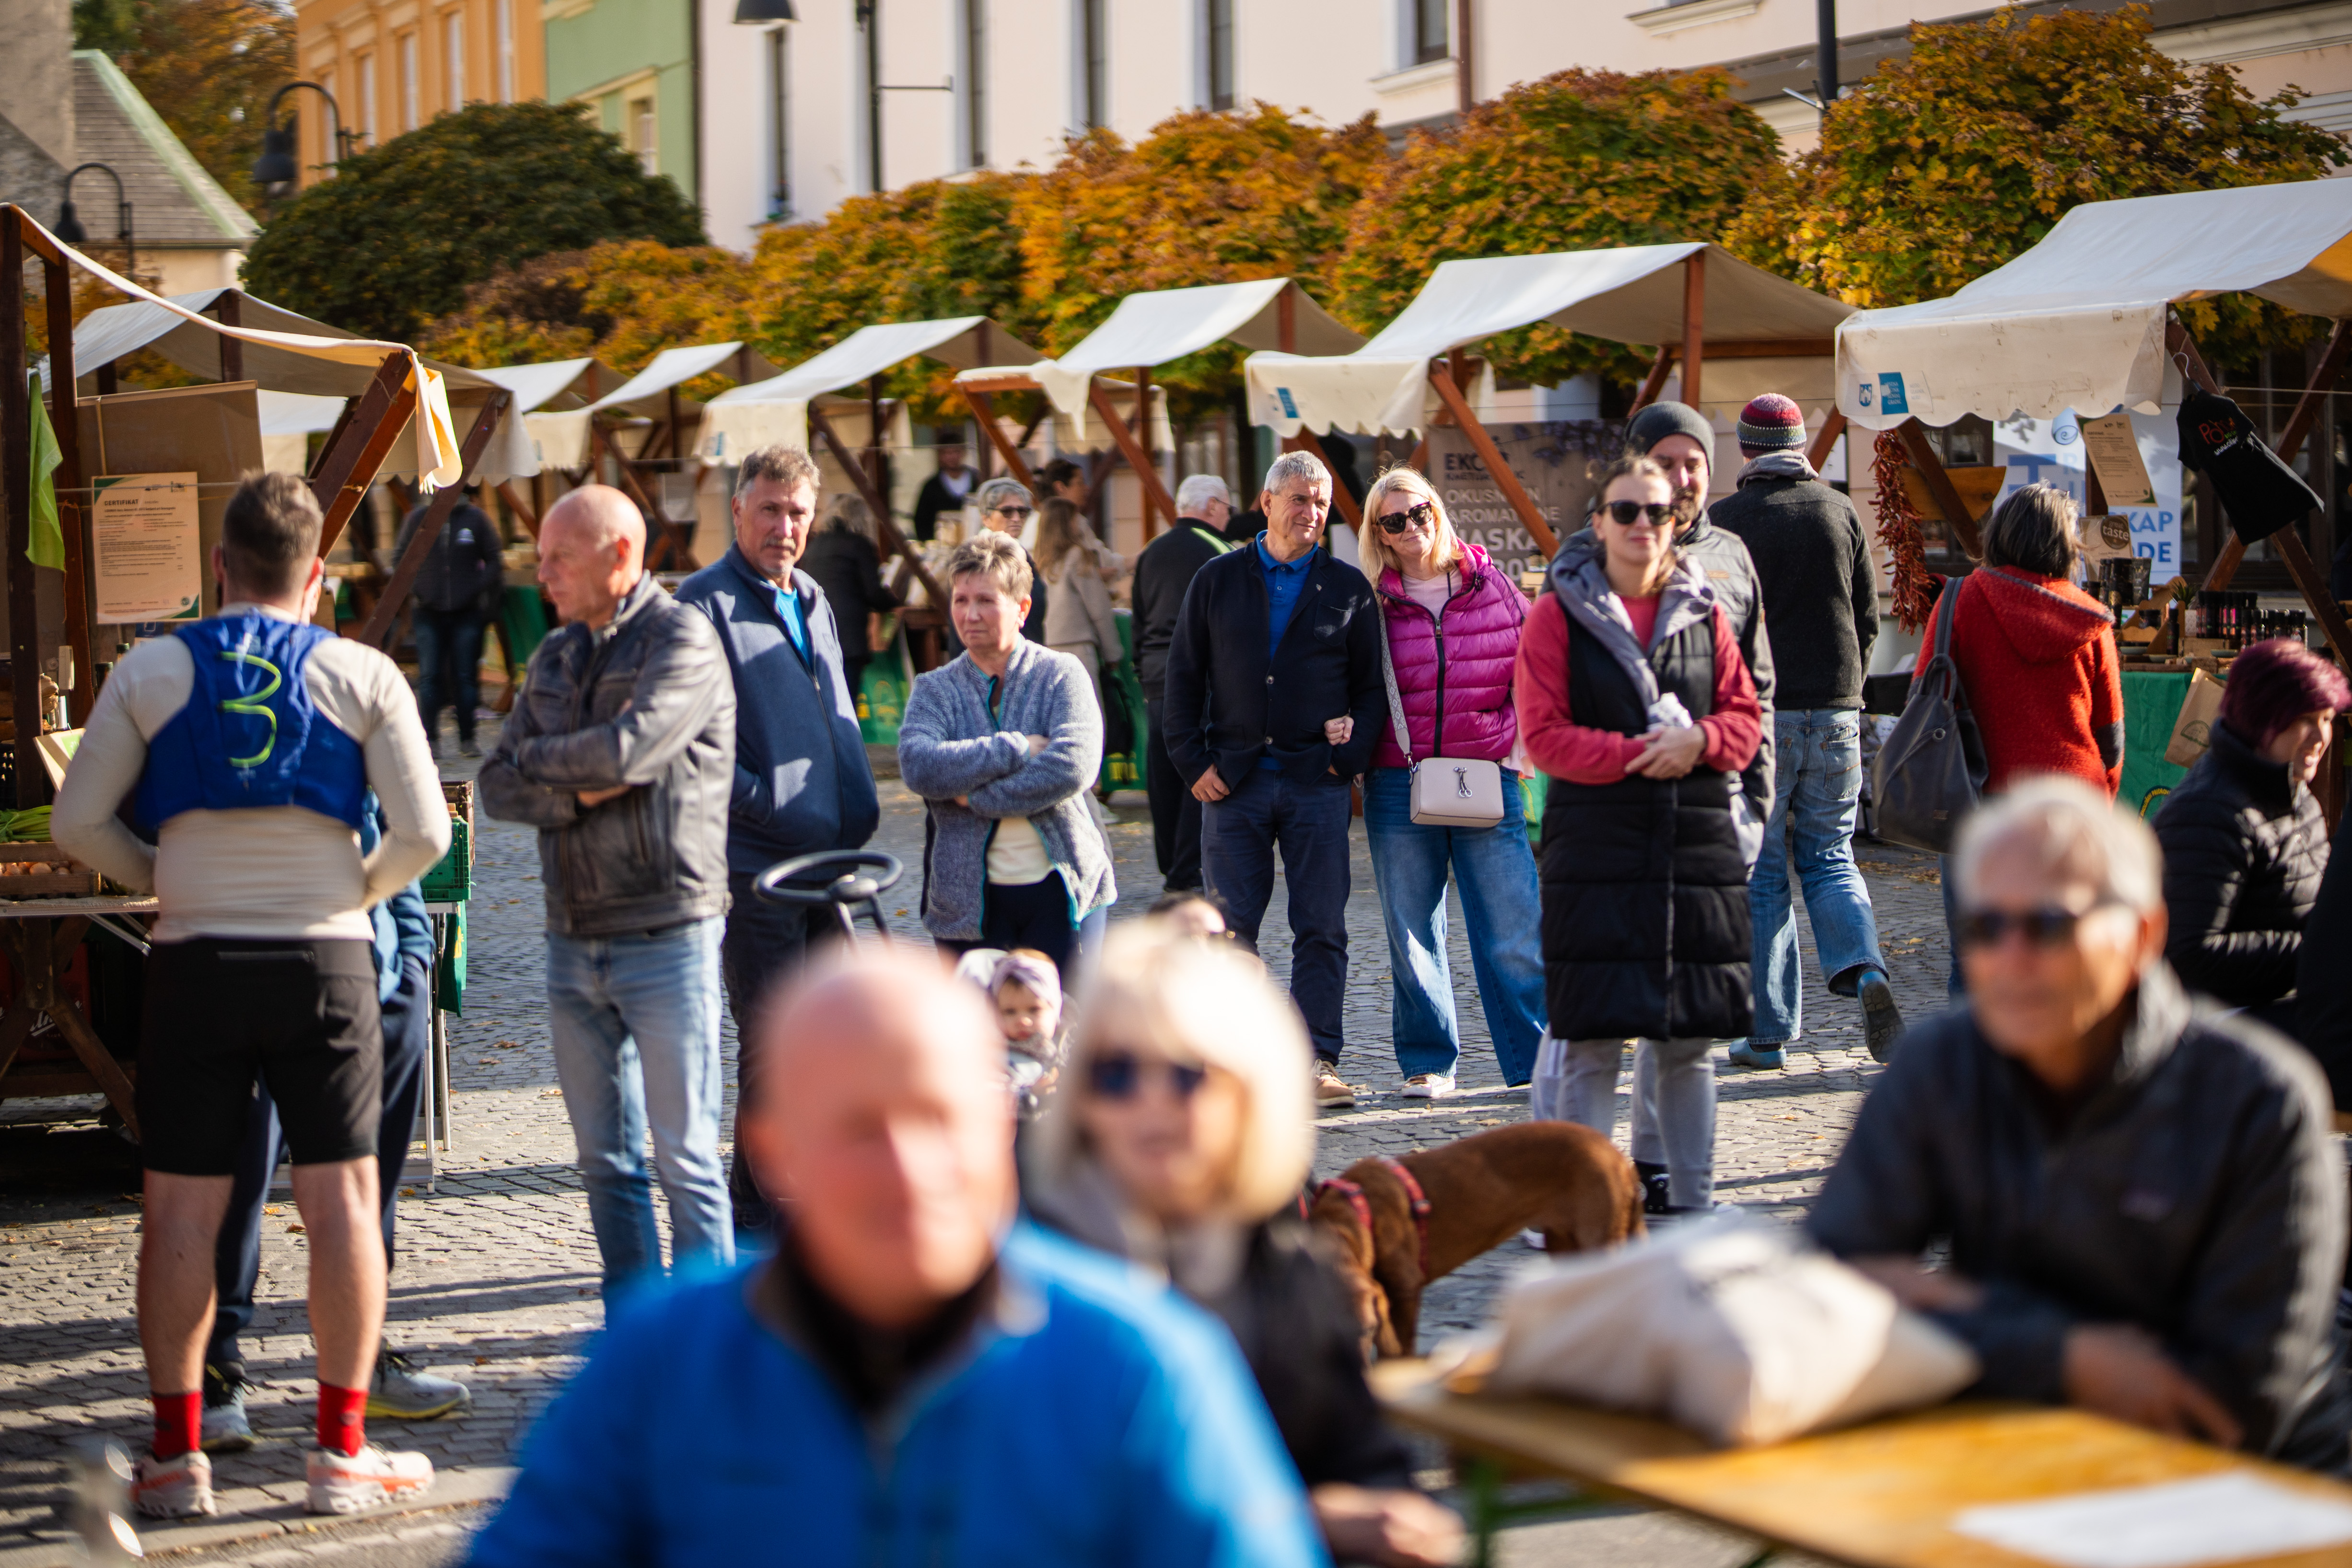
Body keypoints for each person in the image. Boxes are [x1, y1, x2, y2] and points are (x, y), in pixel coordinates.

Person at [467, 954, 1327, 1568]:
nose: (909, 1168)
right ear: (774, 1154)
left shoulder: (1138, 1366)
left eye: (938, 1117)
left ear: (1000, 1129)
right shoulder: (661, 1360)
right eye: (858, 1127)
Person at [53, 473, 451, 1518]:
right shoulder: (362, 672)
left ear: (216, 571)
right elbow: (426, 837)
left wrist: (160, 874)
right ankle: (338, 1453)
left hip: (193, 962)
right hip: (323, 963)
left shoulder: (150, 669)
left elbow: (75, 824)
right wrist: (352, 892)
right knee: (342, 1204)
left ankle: (180, 1455)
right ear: (317, 577)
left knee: (178, 1208)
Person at [1810, 777, 2349, 1467]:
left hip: (2258, 1491)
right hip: (2022, 1460)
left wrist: (1938, 1308)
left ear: (2142, 934)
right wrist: (2067, 1354)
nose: (2009, 961)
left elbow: (2230, 1399)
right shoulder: (1941, 1063)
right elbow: (1825, 1284)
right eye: (1984, 927)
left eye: (2048, 925)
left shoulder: (2255, 1096)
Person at [1030, 924, 1464, 1568]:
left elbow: (1366, 1462)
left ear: (1247, 1091)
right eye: (1116, 1073)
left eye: (1186, 1073)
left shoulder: (1291, 1268)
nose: (1151, 1102)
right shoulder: (1014, 1269)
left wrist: (1390, 1521)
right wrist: (1294, 1514)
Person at [478, 485, 737, 1301]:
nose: (541, 573)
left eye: (558, 557)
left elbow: (630, 752)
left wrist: (554, 765)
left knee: (686, 1157)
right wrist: (574, 789)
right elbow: (493, 781)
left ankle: (707, 1351)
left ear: (619, 555)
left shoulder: (683, 638)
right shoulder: (556, 655)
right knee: (604, 1161)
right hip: (571, 936)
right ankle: (636, 1340)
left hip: (667, 931)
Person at [1516, 456, 1763, 1216]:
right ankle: (1580, 1211)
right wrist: (1636, 755)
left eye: (1655, 512)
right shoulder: (1557, 612)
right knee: (1590, 1037)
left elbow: (1746, 718)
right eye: (1625, 512)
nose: (1641, 526)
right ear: (1598, 524)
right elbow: (1544, 736)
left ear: (1675, 521)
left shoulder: (1703, 607)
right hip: (1595, 850)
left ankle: (1690, 1202)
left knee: (1688, 1042)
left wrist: (1699, 743)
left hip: (1693, 850)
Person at [202, 794, 462, 1452]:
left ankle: (361, 1358)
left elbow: (404, 816)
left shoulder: (361, 688)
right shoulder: (191, 689)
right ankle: (215, 1373)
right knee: (234, 1179)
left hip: (369, 966)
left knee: (363, 1185)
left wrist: (407, 955)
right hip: (244, 961)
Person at [676, 447, 882, 1241]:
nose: (784, 528)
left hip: (828, 868)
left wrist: (854, 795)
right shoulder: (702, 605)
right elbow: (692, 744)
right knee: (769, 1043)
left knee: (834, 1038)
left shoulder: (814, 596)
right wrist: (769, 808)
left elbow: (837, 708)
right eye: (770, 510)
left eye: (798, 513)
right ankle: (762, 1226)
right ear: (738, 511)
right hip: (753, 870)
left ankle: (775, 1202)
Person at [1162, 450, 1384, 1109]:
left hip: (1315, 783)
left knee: (1321, 925)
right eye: (1298, 499)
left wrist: (1347, 763)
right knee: (1229, 929)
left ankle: (1316, 1059)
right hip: (1233, 784)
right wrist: (1192, 762)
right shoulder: (1217, 579)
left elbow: (1371, 692)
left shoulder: (1347, 587)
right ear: (1266, 503)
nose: (1310, 513)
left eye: (1320, 502)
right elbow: (1182, 678)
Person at [1708, 394, 1901, 1069]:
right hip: (1838, 708)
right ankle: (1867, 969)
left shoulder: (1724, 521)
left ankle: (1767, 1033)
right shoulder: (1838, 508)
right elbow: (1865, 611)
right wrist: (1847, 686)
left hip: (1761, 714)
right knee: (1830, 853)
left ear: (1746, 449)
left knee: (1762, 871)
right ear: (1799, 445)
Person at [1618, 401, 1775, 1203]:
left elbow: (1761, 685)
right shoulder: (1606, 552)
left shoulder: (1734, 557)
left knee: (1689, 1009)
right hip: (1627, 818)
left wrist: (1755, 800)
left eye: (1696, 463)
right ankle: (1642, 1166)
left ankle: (1669, 1167)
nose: (1685, 477)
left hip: (1718, 813)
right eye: (1670, 461)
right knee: (1636, 1001)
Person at [1358, 466, 1547, 1098]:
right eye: (1394, 520)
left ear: (1437, 512)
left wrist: (1515, 742)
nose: (1411, 526)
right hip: (1397, 779)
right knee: (1411, 929)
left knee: (1514, 923)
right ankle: (1428, 1062)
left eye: (1420, 512)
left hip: (1485, 776)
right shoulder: (1371, 602)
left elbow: (1538, 667)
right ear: (1379, 534)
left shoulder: (1488, 583)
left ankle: (1534, 1061)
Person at [899, 532, 1115, 979]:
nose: (970, 614)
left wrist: (974, 799)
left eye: (986, 600)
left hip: (1063, 894)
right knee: (975, 1040)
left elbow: (1072, 766)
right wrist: (1016, 747)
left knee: (1064, 1034)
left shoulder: (1060, 674)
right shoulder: (935, 689)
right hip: (967, 905)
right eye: (960, 600)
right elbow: (920, 766)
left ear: (1022, 608)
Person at [1942, 483, 2124, 994]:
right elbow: (2110, 735)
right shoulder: (2092, 617)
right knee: (2064, 943)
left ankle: (1976, 1067)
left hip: (1980, 799)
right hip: (2071, 804)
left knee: (1977, 950)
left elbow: (1927, 701)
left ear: (1998, 534)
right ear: (2065, 545)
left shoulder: (1961, 600)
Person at [2154, 636, 2345, 1031]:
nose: (2321, 737)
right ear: (2259, 719)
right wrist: (2317, 953)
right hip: (2217, 1029)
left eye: (2327, 719)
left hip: (2289, 1004)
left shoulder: (2295, 792)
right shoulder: (2207, 812)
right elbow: (2190, 954)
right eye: (2304, 720)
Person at [1133, 474, 1237, 892]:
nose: (1229, 517)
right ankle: (1185, 868)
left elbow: (1139, 619)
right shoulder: (1219, 552)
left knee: (1162, 772)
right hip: (1200, 677)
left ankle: (1169, 864)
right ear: (1212, 506)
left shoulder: (1150, 552)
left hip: (1156, 674)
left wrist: (1143, 669)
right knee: (1200, 768)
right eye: (1228, 509)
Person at [393, 484, 505, 759]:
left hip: (467, 611)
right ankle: (430, 739)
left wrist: (475, 587)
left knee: (465, 676)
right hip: (428, 611)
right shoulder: (418, 519)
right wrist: (420, 589)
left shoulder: (475, 519)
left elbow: (494, 559)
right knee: (430, 676)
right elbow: (400, 560)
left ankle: (468, 738)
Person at [798, 491, 900, 703]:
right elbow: (874, 593)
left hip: (816, 635)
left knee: (825, 706)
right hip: (849, 640)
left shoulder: (814, 547)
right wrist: (898, 601)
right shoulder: (859, 545)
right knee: (847, 706)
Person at [1036, 495, 1127, 717]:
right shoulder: (1077, 556)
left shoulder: (1039, 561)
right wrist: (1113, 653)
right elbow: (1099, 609)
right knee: (1088, 717)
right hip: (1078, 647)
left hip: (1047, 647)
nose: (1080, 523)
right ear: (1067, 523)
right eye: (1076, 518)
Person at [972, 476, 1050, 645]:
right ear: (986, 518)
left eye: (1022, 512)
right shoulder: (978, 558)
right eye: (1007, 512)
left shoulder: (1020, 554)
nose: (1016, 518)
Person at [910, 434, 976, 541]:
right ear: (940, 456)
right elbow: (922, 520)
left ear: (963, 453)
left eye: (956, 452)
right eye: (947, 453)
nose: (952, 457)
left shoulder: (976, 480)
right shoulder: (931, 486)